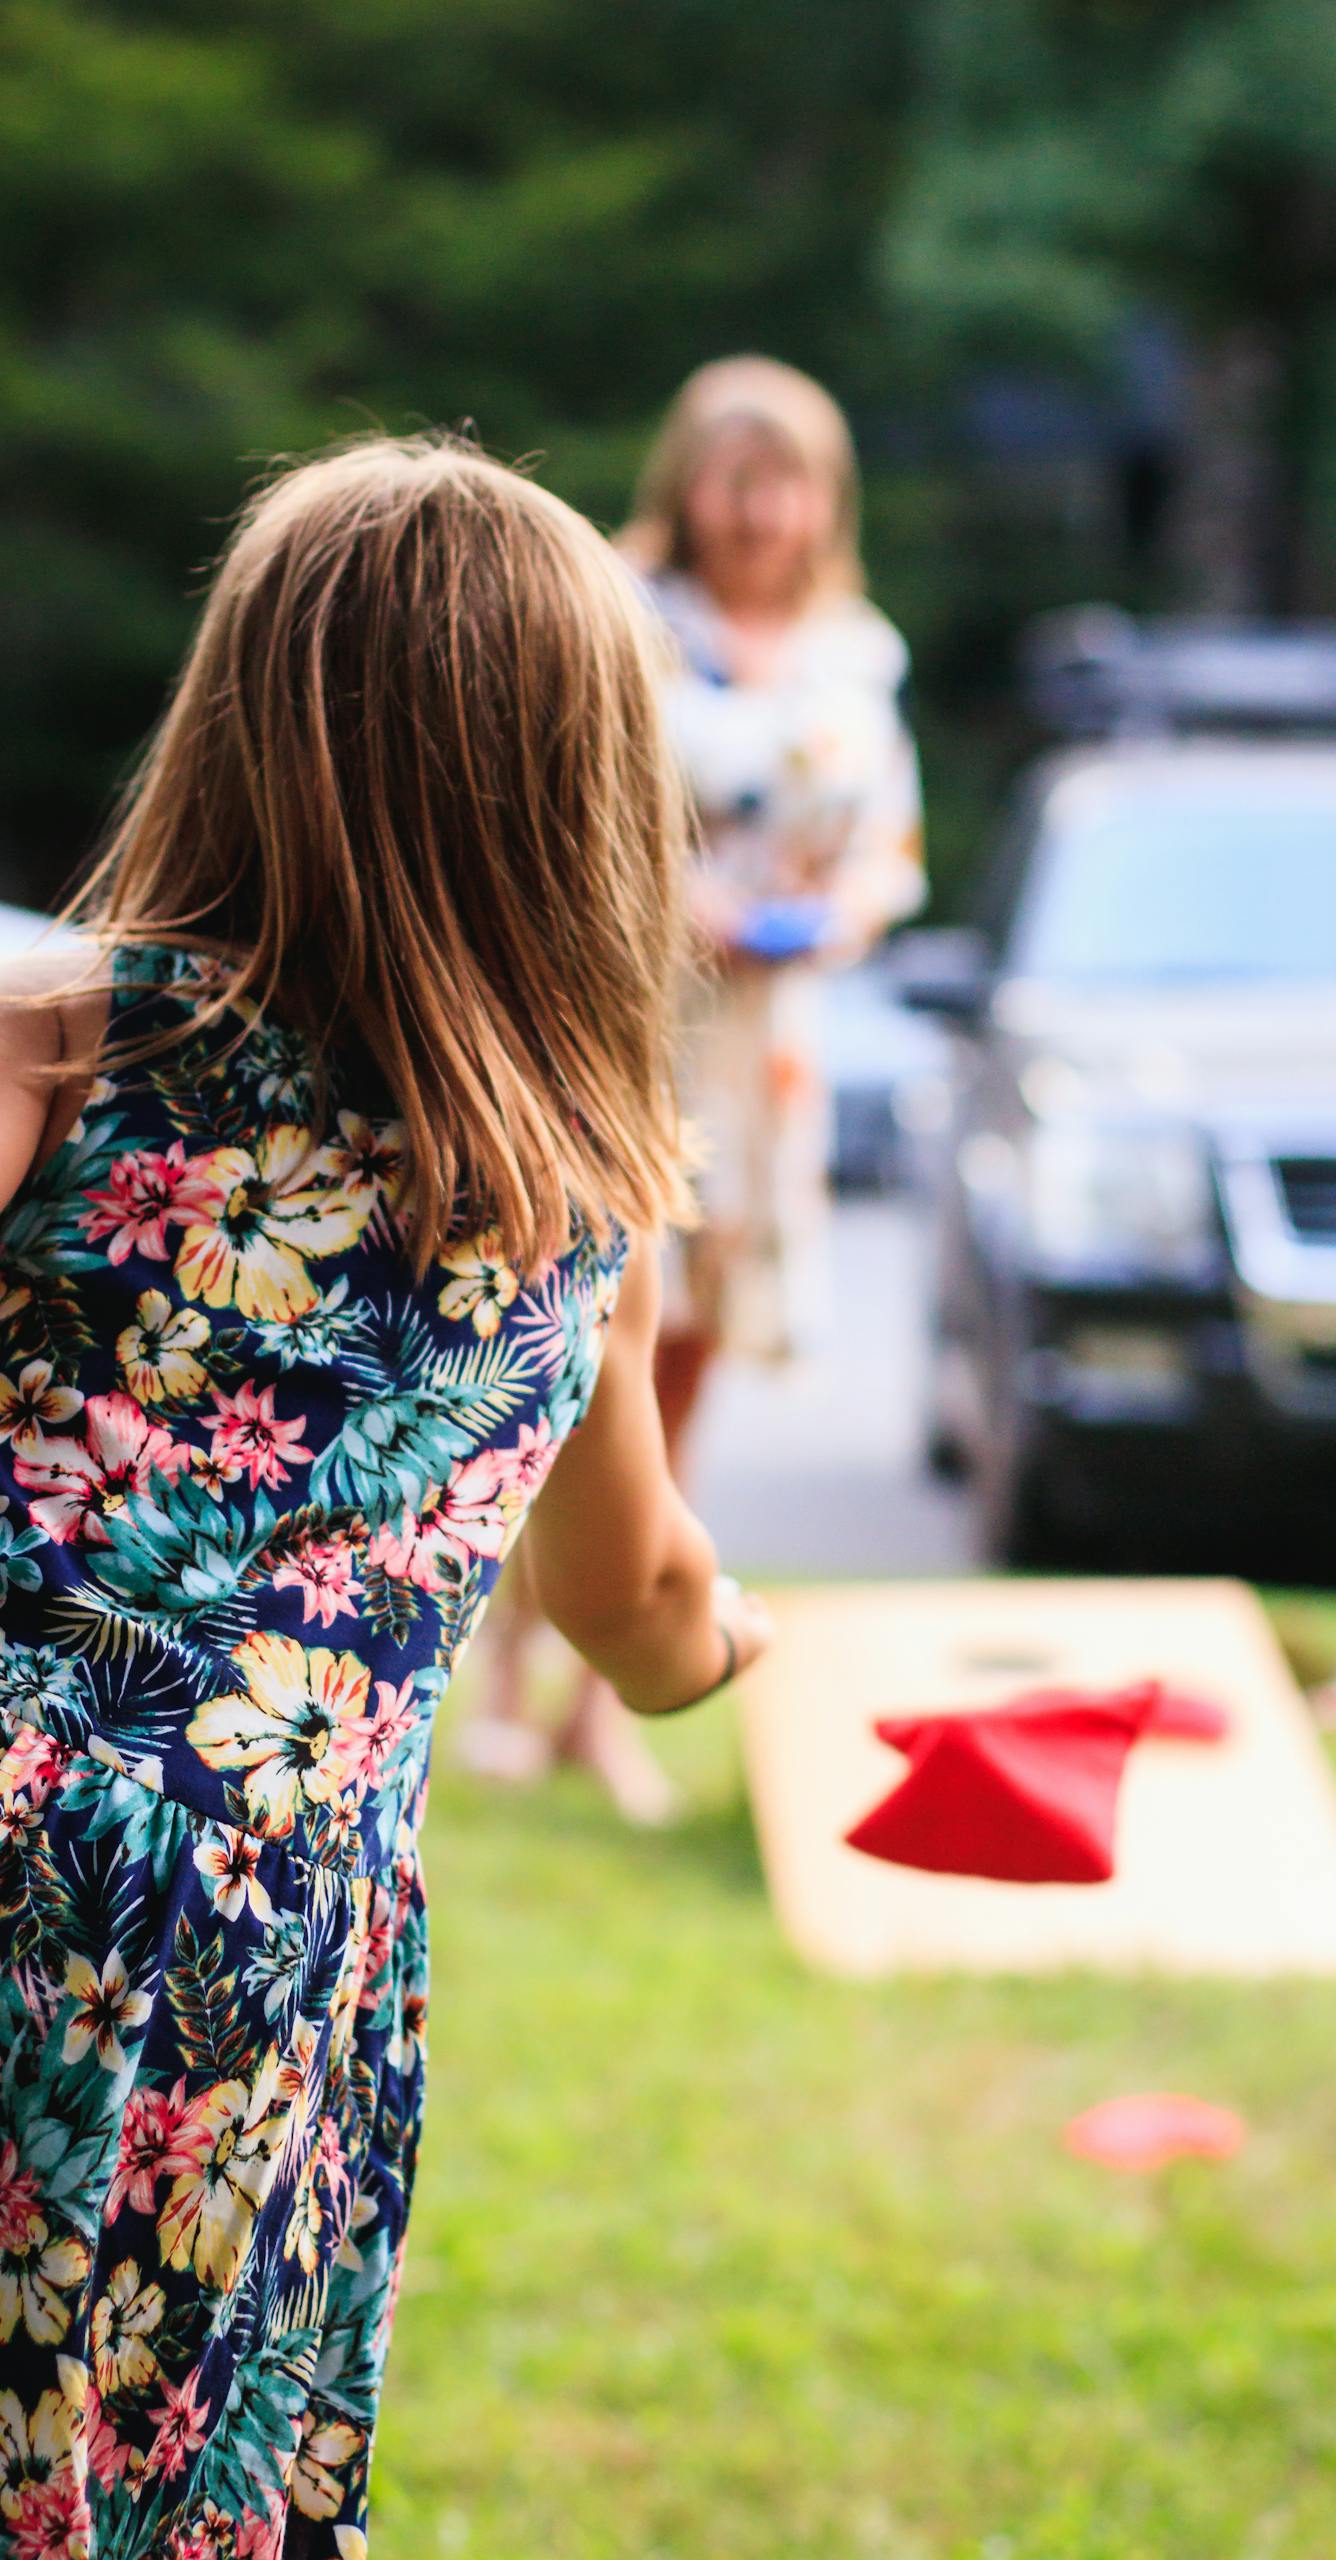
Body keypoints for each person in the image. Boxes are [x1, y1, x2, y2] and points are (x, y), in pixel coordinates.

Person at [0, 435, 770, 2559]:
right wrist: (740, 1641)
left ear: (240, 718)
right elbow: (644, 1612)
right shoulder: (580, 1195)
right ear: (585, 789)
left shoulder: (61, 1037)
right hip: (253, 1929)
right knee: (167, 2459)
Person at [463, 357, 923, 1812]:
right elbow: (558, 791)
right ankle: (509, 1681)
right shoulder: (625, 616)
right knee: (577, 1343)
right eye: (736, 473)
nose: (760, 506)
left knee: (682, 1370)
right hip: (630, 1019)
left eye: (786, 477)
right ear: (689, 479)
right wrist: (671, 903)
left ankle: (608, 1692)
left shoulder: (859, 655)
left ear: (823, 498)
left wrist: (843, 913)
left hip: (765, 1050)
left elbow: (889, 850)